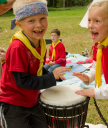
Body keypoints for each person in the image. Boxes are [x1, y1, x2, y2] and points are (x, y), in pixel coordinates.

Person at [0, 0, 69, 128]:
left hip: (32, 100)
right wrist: (50, 77)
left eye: (42, 18)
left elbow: (37, 70)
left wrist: (52, 75)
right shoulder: (17, 47)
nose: (39, 25)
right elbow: (22, 81)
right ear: (19, 24)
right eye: (31, 21)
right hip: (14, 104)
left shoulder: (41, 42)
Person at [73, 1, 108, 128]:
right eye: (89, 20)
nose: (90, 25)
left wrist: (95, 92)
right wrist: (89, 77)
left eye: (97, 21)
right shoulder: (100, 43)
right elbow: (98, 64)